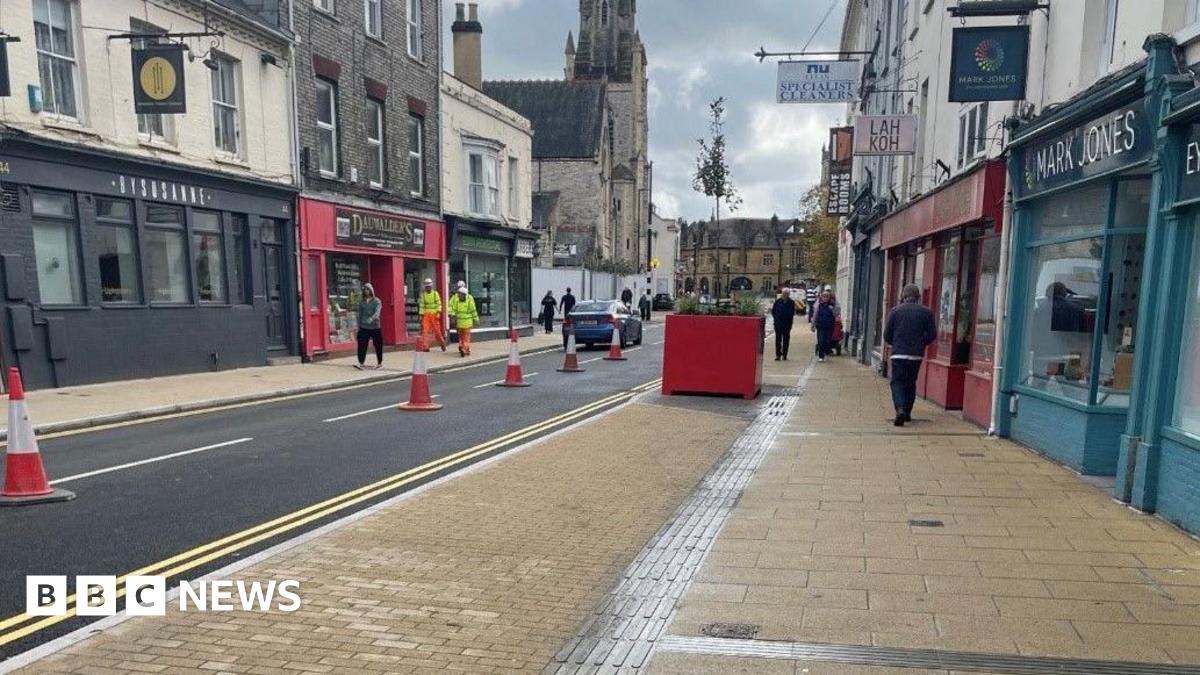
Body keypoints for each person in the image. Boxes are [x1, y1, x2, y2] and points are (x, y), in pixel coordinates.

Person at [883, 283, 937, 427]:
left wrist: (894, 342)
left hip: (898, 353)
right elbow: (932, 334)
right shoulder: (926, 312)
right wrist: (921, 343)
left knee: (897, 382)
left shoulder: (895, 311)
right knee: (910, 382)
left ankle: (899, 408)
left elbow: (887, 334)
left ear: (903, 296)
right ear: (918, 297)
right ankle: (907, 412)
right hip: (916, 355)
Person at [355, 283, 384, 370]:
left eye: (367, 289)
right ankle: (361, 363)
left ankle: (379, 363)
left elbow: (377, 312)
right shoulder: (362, 302)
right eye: (364, 290)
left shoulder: (377, 301)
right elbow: (360, 314)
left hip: (375, 327)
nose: (366, 291)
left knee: (378, 345)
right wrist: (358, 326)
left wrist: (372, 318)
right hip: (364, 327)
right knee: (362, 345)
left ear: (371, 290)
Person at [449, 281, 479, 357]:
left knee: (464, 337)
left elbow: (451, 308)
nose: (459, 294)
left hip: (463, 323)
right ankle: (465, 349)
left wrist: (452, 316)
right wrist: (476, 320)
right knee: (464, 338)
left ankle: (463, 348)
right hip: (461, 323)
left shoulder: (456, 299)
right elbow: (473, 311)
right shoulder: (469, 298)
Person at [418, 278, 447, 352]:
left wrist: (438, 312)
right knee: (425, 331)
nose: (428, 287)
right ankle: (425, 347)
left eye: (429, 286)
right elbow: (422, 305)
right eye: (427, 286)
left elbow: (439, 304)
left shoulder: (435, 294)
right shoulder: (423, 295)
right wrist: (421, 315)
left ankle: (442, 343)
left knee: (437, 332)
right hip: (426, 315)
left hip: (434, 315)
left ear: (431, 286)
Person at [811, 288, 840, 362]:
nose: (825, 298)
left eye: (827, 296)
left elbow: (836, 313)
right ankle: (821, 356)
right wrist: (813, 325)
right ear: (821, 297)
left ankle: (826, 353)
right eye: (824, 296)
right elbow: (815, 315)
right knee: (820, 341)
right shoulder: (819, 305)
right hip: (820, 326)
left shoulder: (832, 305)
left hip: (829, 326)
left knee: (827, 341)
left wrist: (832, 308)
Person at [770, 288, 797, 361]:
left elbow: (792, 313)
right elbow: (773, 311)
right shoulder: (777, 302)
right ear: (782, 294)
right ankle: (778, 355)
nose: (785, 295)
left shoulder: (791, 302)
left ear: (788, 295)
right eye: (784, 293)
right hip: (778, 324)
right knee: (778, 340)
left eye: (787, 294)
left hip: (787, 324)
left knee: (786, 340)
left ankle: (785, 355)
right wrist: (776, 318)